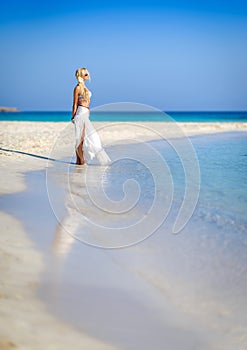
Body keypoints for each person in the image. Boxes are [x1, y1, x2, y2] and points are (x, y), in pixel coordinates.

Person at [71, 67, 111, 165]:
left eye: (87, 74)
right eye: (86, 74)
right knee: (80, 138)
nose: (88, 76)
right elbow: (75, 103)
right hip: (80, 113)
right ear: (81, 76)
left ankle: (78, 161)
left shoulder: (84, 87)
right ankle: (81, 161)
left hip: (85, 113)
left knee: (83, 138)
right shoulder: (77, 88)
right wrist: (73, 116)